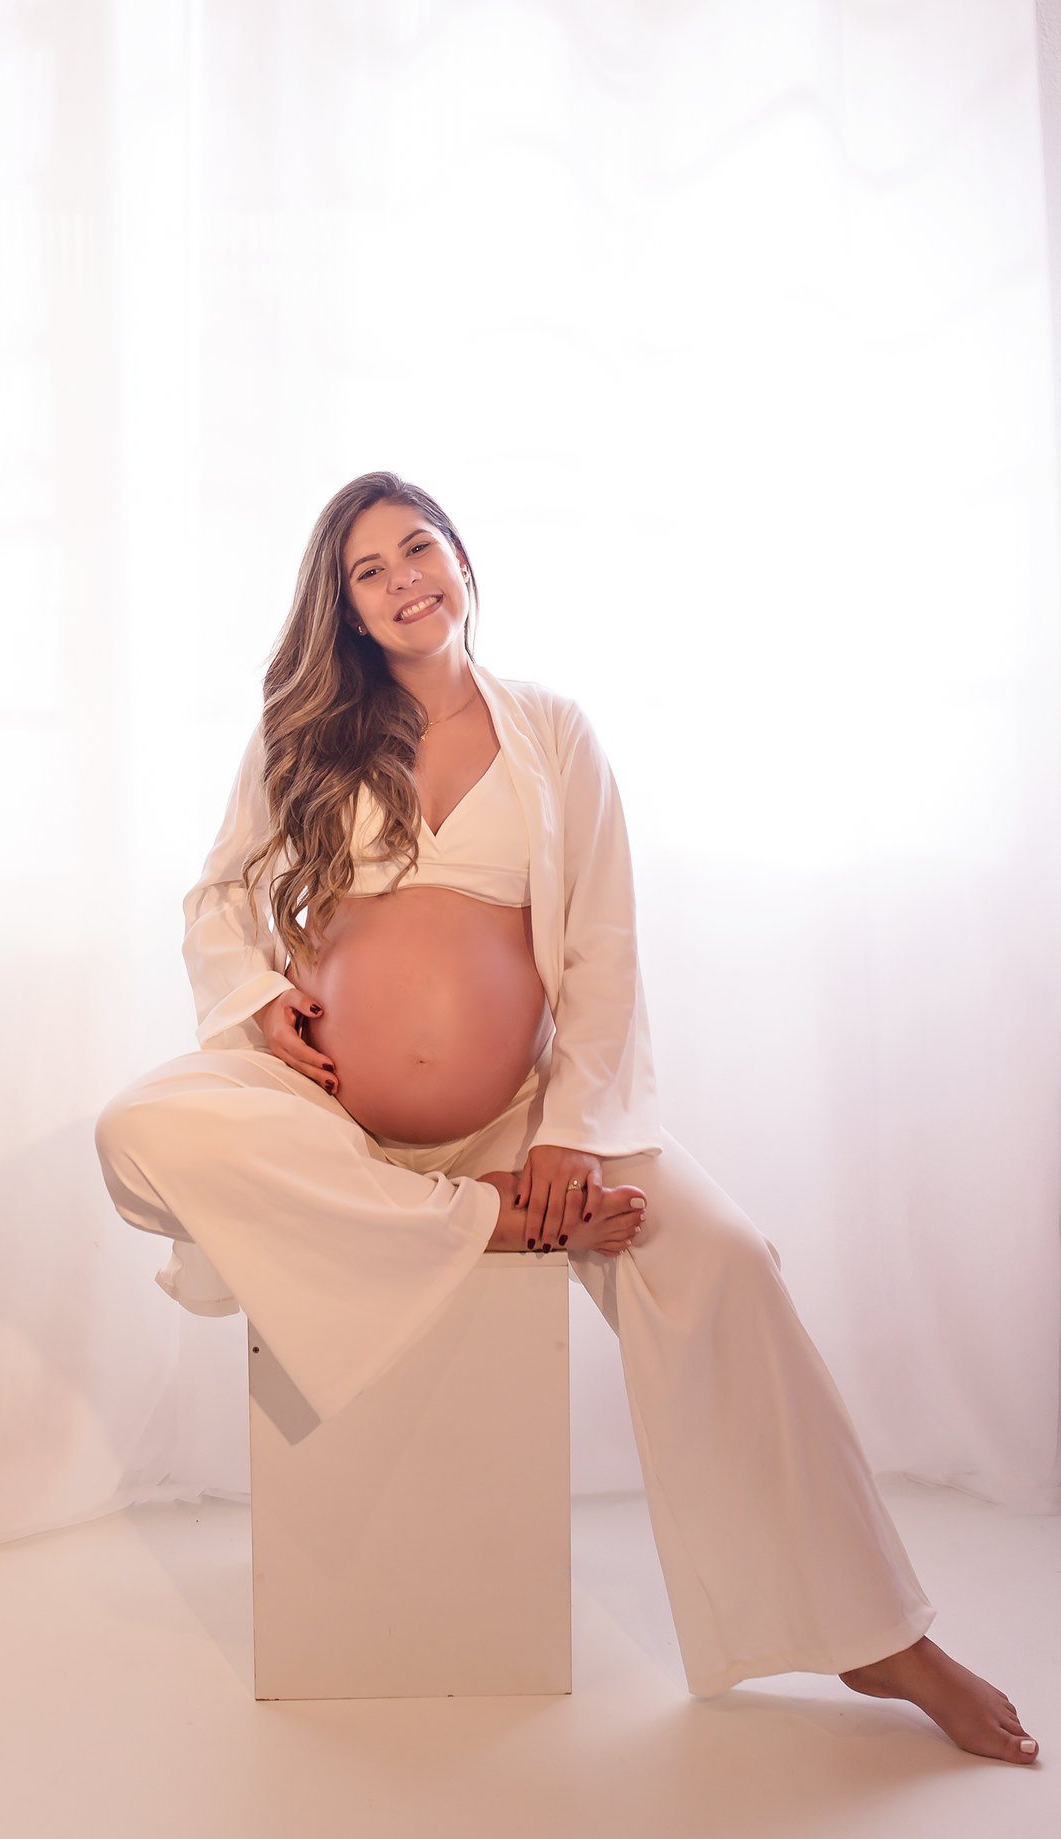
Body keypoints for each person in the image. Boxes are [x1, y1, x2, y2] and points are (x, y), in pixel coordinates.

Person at [96, 471, 1036, 1762]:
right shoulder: (302, 737)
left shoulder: (550, 731)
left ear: (460, 558)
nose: (403, 579)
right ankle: (471, 1223)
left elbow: (601, 946)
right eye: (369, 570)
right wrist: (261, 1004)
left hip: (525, 1120)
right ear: (347, 607)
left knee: (726, 1257)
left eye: (418, 548)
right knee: (139, 1129)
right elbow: (218, 899)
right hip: (335, 1123)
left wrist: (568, 1136)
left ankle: (878, 1633)